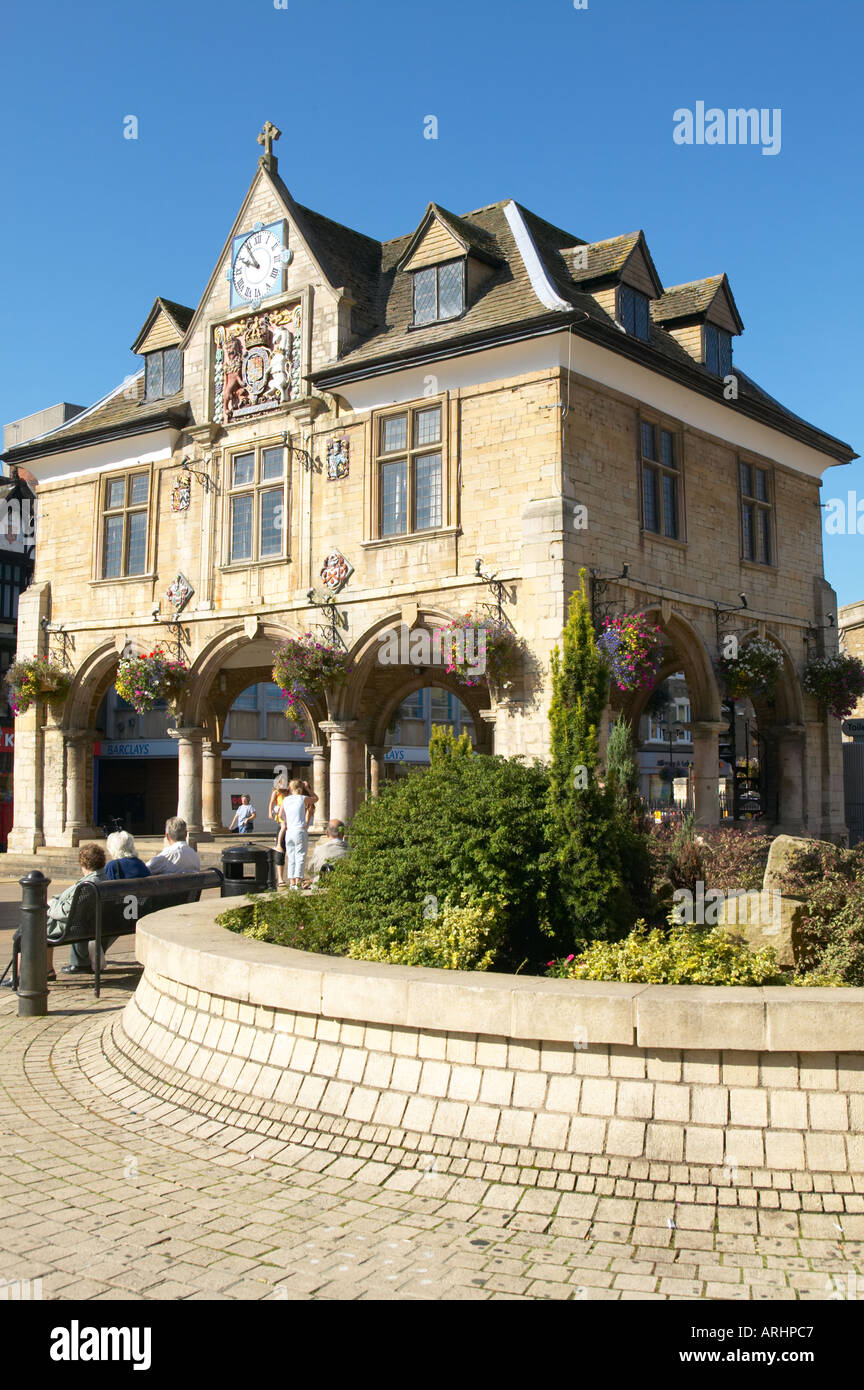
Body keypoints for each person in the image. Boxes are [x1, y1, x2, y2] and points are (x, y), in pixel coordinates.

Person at [51, 843, 109, 976]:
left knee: (30, 929)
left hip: (77, 926)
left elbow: (68, 912)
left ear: (84, 864)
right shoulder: (105, 880)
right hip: (96, 925)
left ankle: (23, 974)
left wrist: (51, 905)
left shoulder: (88, 885)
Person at [281, 779, 315, 889]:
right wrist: (308, 789)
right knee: (300, 855)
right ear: (301, 788)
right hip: (299, 830)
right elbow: (315, 799)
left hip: (289, 830)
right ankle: (298, 880)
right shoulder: (302, 798)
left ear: (291, 788)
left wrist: (288, 821)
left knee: (291, 856)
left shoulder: (285, 800)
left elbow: (281, 814)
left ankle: (291, 882)